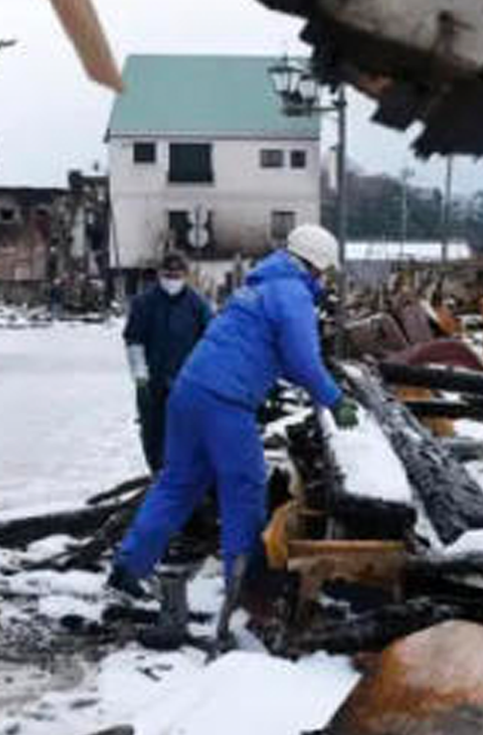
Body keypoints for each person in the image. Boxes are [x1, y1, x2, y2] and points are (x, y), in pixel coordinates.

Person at [109, 225, 359, 598]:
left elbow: (279, 356)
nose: (324, 279)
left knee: (177, 484)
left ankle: (129, 567)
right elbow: (303, 360)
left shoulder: (258, 285)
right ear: (317, 264)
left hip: (188, 391)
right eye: (325, 272)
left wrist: (291, 379)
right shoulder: (292, 294)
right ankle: (245, 583)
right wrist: (334, 399)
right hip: (224, 402)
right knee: (244, 485)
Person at [122, 253, 212, 472]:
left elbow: (210, 342)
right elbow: (134, 340)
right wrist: (140, 374)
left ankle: (183, 477)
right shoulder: (144, 303)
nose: (172, 279)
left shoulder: (197, 305)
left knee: (186, 432)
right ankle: (157, 473)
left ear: (185, 275)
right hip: (152, 382)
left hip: (187, 382)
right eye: (168, 274)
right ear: (160, 275)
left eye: (177, 274)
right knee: (153, 432)